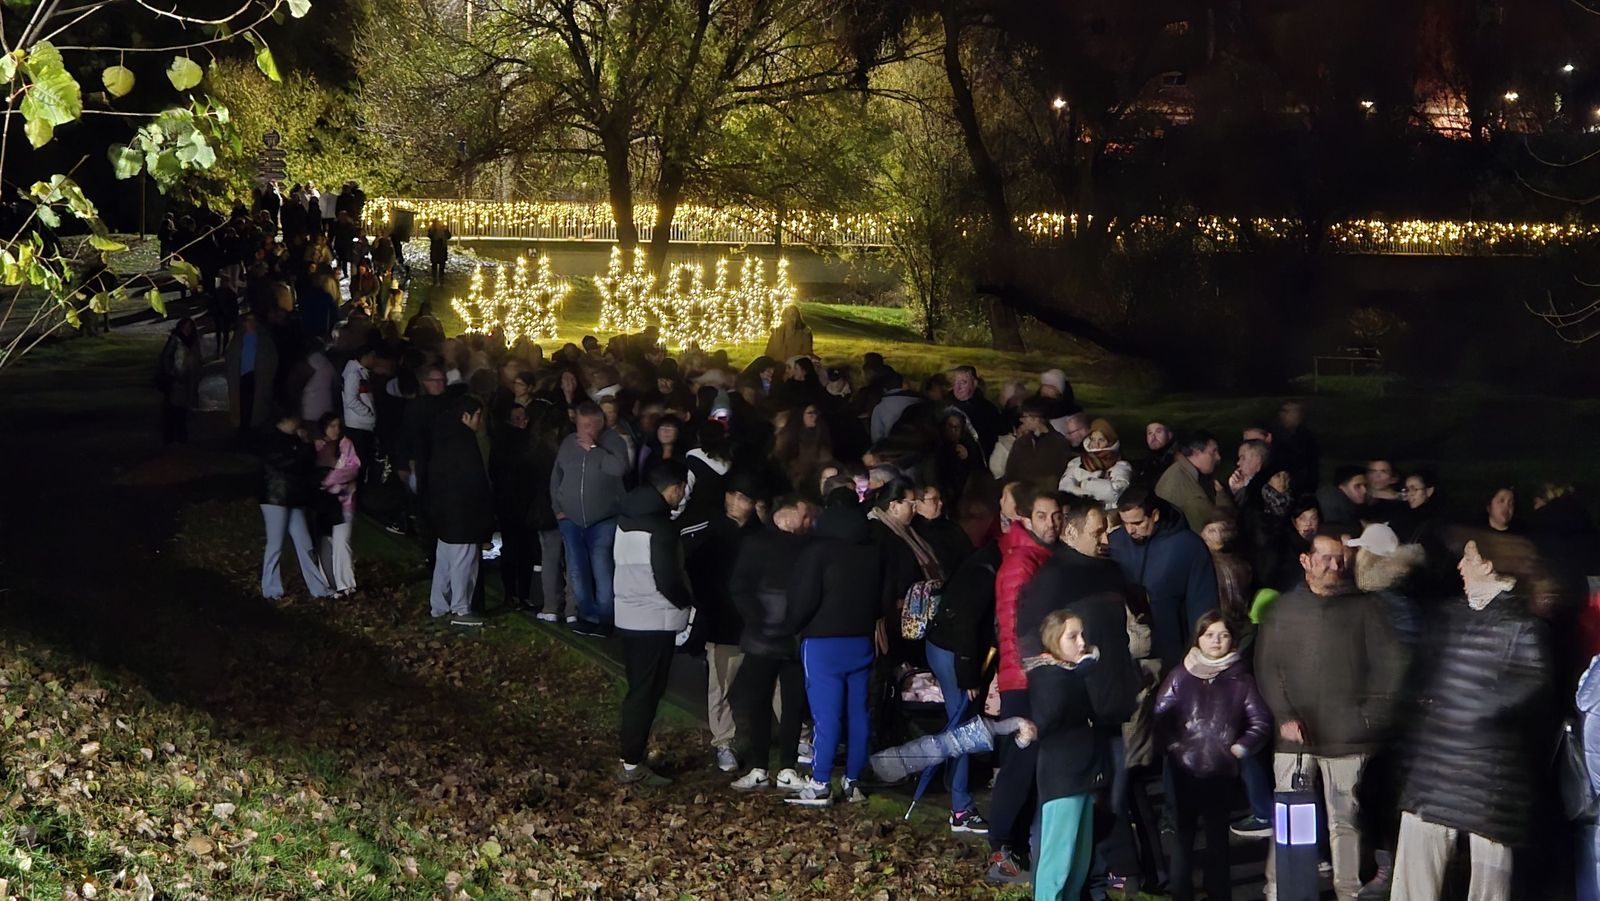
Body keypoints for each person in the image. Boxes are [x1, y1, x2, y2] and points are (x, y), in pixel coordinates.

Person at [1391, 533, 1555, 901]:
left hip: (1488, 775)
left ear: (1488, 565)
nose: (1460, 566)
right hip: (1436, 770)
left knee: (1489, 885)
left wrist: (1468, 709)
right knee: (1415, 877)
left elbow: (1532, 685)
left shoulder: (1522, 626)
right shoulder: (1450, 616)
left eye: (1468, 558)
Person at [1256, 532, 1405, 901]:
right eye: (1326, 559)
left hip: (1347, 737)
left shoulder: (1364, 609)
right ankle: (1281, 889)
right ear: (1306, 561)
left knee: (1345, 822)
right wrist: (1284, 714)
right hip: (1295, 742)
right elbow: (1267, 667)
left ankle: (1348, 891)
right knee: (1290, 821)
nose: (1335, 567)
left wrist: (1370, 715)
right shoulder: (1283, 611)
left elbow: (1392, 664)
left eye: (1340, 559)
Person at [1154, 611, 1273, 901]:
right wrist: (1174, 746)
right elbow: (1160, 715)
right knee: (1183, 838)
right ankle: (1181, 893)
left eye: (1223, 635)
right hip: (1184, 770)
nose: (1216, 641)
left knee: (1217, 839)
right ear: (1198, 639)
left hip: (1220, 772)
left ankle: (1218, 893)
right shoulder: (1180, 676)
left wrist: (1239, 747)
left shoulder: (1240, 680)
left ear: (1232, 640)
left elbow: (1260, 721)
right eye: (1209, 635)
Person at [785, 489, 882, 807]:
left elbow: (804, 599)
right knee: (858, 713)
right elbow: (883, 598)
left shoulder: (818, 551)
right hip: (861, 640)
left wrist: (791, 626)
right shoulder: (872, 551)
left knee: (825, 716)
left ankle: (820, 782)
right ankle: (852, 782)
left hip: (823, 643)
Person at [987, 486, 1061, 882]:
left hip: (1031, 673)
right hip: (1023, 677)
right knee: (1019, 763)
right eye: (1044, 516)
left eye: (1056, 516)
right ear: (1027, 519)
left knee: (1027, 763)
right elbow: (1017, 627)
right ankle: (1000, 847)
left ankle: (1013, 844)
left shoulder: (1038, 558)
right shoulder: (1021, 562)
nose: (1052, 524)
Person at [1023, 609, 1120, 901]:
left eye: (1082, 636)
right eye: (1073, 636)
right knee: (1059, 862)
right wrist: (1085, 670)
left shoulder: (1072, 673)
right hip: (1064, 778)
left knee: (1078, 862)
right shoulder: (1050, 675)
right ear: (1054, 640)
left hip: (1083, 776)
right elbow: (1048, 715)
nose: (1081, 643)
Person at [613, 461, 694, 787]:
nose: (683, 495)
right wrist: (686, 602)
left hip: (628, 615)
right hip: (654, 619)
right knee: (645, 694)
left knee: (637, 690)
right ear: (672, 488)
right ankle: (631, 764)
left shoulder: (626, 517)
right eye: (683, 489)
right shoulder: (662, 527)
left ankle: (630, 757)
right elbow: (667, 578)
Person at [728, 496, 813, 792]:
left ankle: (760, 766)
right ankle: (783, 766)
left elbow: (739, 586)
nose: (808, 521)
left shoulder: (757, 544)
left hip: (765, 638)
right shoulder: (805, 548)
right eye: (804, 515)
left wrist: (755, 620)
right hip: (789, 638)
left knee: (762, 704)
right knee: (789, 705)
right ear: (785, 517)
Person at [682, 471, 766, 773]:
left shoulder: (763, 537)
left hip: (759, 625)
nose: (734, 502)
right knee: (720, 688)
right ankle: (723, 742)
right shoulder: (712, 533)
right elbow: (696, 573)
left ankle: (801, 738)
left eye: (742, 498)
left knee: (779, 686)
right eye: (731, 495)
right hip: (724, 624)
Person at [924, 516, 1001, 833]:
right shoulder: (984, 571)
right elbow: (966, 625)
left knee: (964, 724)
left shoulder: (987, 562)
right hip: (952, 650)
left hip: (951, 646)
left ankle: (957, 796)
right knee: (963, 727)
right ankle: (960, 808)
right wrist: (968, 675)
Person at [1108, 488, 1219, 673]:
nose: (1130, 530)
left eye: (1137, 522)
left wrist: (1203, 654)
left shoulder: (1189, 547)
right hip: (1127, 653)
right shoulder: (1116, 542)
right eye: (1125, 523)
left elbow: (1203, 604)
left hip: (1173, 652)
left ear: (1155, 515)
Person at [551, 402, 631, 636]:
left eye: (588, 426)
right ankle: (587, 615)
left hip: (604, 519)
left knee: (602, 568)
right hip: (571, 520)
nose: (582, 431)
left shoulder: (613, 441)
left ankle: (607, 619)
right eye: (579, 425)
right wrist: (558, 509)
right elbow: (556, 477)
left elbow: (619, 468)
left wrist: (594, 449)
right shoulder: (568, 443)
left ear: (599, 424)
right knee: (576, 570)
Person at [426, 395, 494, 629]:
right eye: (477, 416)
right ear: (467, 416)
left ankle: (439, 607)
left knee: (444, 563)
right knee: (464, 565)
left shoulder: (442, 438)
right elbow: (475, 481)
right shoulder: (465, 441)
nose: (479, 421)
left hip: (445, 515)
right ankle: (461, 609)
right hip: (464, 515)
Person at [258, 414, 333, 600]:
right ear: (284, 421)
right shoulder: (273, 441)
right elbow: (292, 464)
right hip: (276, 498)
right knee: (275, 544)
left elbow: (305, 464)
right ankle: (270, 588)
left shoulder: (295, 440)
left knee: (305, 543)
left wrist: (304, 445)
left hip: (293, 498)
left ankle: (318, 589)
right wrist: (305, 446)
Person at [313, 413, 361, 598]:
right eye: (331, 426)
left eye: (337, 426)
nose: (336, 430)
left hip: (343, 503)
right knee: (326, 544)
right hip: (324, 504)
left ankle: (346, 584)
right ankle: (329, 585)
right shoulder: (318, 447)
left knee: (342, 542)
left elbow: (352, 468)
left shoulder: (345, 444)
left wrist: (328, 480)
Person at [1155, 430, 1232, 534]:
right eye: (1213, 452)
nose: (1218, 457)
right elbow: (1219, 530)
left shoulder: (1179, 469)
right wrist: (1222, 494)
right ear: (1197, 453)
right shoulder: (1192, 493)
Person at [1059, 418, 1133, 509]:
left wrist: (1084, 484)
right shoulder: (1076, 462)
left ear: (1110, 442)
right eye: (1093, 439)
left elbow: (1115, 493)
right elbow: (1064, 487)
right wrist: (1086, 493)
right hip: (1079, 511)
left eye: (1101, 440)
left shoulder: (1121, 466)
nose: (1095, 444)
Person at [1004, 399, 1072, 486]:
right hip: (1020, 494)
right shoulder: (1022, 442)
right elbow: (1010, 472)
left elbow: (1059, 473)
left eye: (1024, 417)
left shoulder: (1058, 443)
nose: (1021, 420)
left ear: (1036, 419)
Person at [158, 318, 202, 444]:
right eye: (185, 327)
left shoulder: (193, 342)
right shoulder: (176, 340)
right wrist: (172, 373)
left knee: (183, 408)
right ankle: (173, 436)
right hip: (177, 380)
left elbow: (197, 359)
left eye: (189, 328)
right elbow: (166, 357)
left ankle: (181, 435)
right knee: (174, 408)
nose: (187, 330)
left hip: (189, 380)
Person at [949, 365, 1004, 456]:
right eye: (955, 382)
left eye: (963, 383)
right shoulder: (944, 404)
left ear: (974, 383)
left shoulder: (987, 410)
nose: (958, 387)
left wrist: (970, 450)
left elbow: (991, 440)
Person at [1270, 400, 1320, 492]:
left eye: (1296, 412)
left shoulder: (1307, 437)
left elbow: (1312, 466)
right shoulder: (1274, 435)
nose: (1293, 415)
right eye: (1286, 411)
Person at [1317, 466, 1369, 533]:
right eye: (1358, 486)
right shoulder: (1330, 500)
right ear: (1341, 486)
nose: (1365, 491)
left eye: (1365, 486)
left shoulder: (1349, 506)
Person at [427, 218, 451, 285]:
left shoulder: (444, 229)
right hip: (436, 248)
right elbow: (429, 235)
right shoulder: (432, 229)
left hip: (441, 248)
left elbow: (449, 236)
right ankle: (435, 278)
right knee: (435, 264)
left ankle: (440, 278)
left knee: (441, 264)